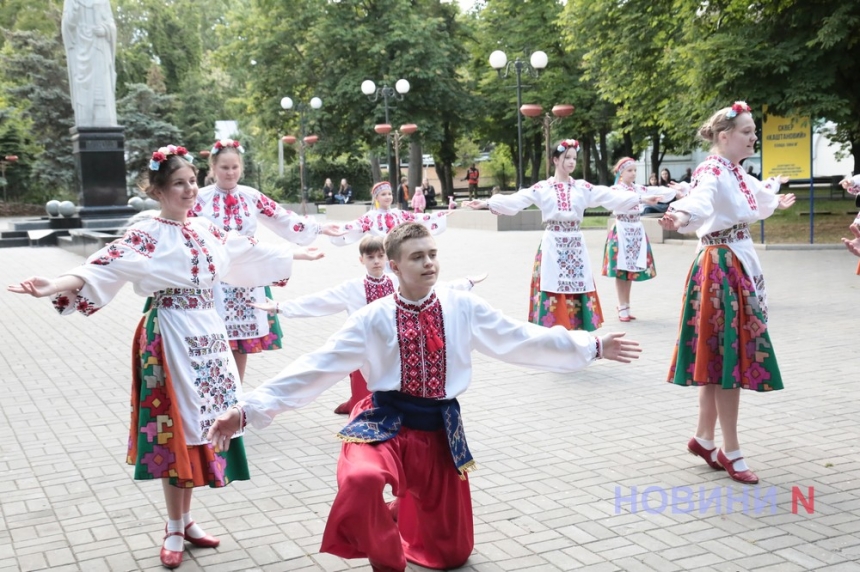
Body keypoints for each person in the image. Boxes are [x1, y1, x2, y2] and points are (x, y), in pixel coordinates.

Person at [208, 222, 643, 572]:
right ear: (395, 266)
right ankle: (387, 559)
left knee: (451, 556)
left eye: (433, 254)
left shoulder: (461, 306)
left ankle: (404, 508)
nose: (429, 262)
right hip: (385, 424)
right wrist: (246, 410)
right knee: (360, 481)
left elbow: (521, 338)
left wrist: (592, 346)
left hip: (439, 430)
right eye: (418, 256)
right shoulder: (371, 318)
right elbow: (317, 365)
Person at [7, 145, 324, 569]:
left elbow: (245, 252)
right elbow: (102, 265)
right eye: (179, 183)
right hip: (169, 337)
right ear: (158, 190)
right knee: (173, 430)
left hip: (210, 337)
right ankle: (174, 526)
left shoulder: (207, 229)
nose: (190, 189)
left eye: (193, 181)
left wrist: (297, 251)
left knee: (203, 429)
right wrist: (52, 285)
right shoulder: (147, 234)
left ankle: (187, 522)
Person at [658, 101, 796, 485]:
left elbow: (758, 193)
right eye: (748, 131)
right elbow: (701, 200)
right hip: (720, 267)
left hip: (732, 262)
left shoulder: (734, 171)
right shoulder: (712, 170)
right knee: (726, 360)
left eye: (753, 131)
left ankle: (704, 439)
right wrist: (682, 215)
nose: (754, 137)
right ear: (724, 136)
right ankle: (731, 451)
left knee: (718, 359)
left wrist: (775, 195)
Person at [252, 235, 485, 414]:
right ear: (361, 260)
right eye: (370, 257)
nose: (376, 262)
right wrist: (282, 307)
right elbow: (320, 301)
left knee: (391, 392)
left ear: (387, 259)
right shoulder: (352, 287)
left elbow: (437, 289)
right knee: (364, 395)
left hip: (396, 350)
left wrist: (466, 282)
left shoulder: (398, 280)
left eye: (380, 256)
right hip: (364, 351)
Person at [463, 139, 660, 331]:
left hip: (575, 243)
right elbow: (517, 200)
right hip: (553, 243)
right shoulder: (543, 188)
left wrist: (640, 198)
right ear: (555, 160)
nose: (572, 161)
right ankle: (553, 335)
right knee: (552, 285)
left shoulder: (582, 187)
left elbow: (610, 196)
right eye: (567, 157)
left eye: (574, 158)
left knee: (577, 285)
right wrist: (487, 203)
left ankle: (577, 337)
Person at [190, 138, 342, 384]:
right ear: (213, 168)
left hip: (247, 276)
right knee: (215, 338)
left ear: (241, 168)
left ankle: (236, 394)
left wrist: (321, 228)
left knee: (240, 343)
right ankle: (216, 391)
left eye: (234, 167)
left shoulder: (251, 196)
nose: (230, 172)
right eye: (224, 167)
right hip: (214, 279)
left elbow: (282, 217)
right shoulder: (200, 199)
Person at [602, 157, 682, 321]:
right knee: (621, 270)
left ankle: (626, 305)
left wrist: (676, 192)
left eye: (634, 170)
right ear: (621, 173)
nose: (633, 173)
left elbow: (657, 191)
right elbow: (618, 201)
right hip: (622, 229)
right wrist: (642, 199)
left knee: (630, 269)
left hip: (636, 230)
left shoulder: (638, 189)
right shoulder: (616, 189)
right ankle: (621, 306)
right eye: (629, 170)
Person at [330, 181, 452, 246]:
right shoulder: (371, 217)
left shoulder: (398, 214)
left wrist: (440, 214)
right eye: (383, 194)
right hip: (382, 253)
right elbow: (354, 226)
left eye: (389, 194)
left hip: (401, 251)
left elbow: (418, 218)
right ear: (376, 198)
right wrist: (335, 229)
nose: (387, 197)